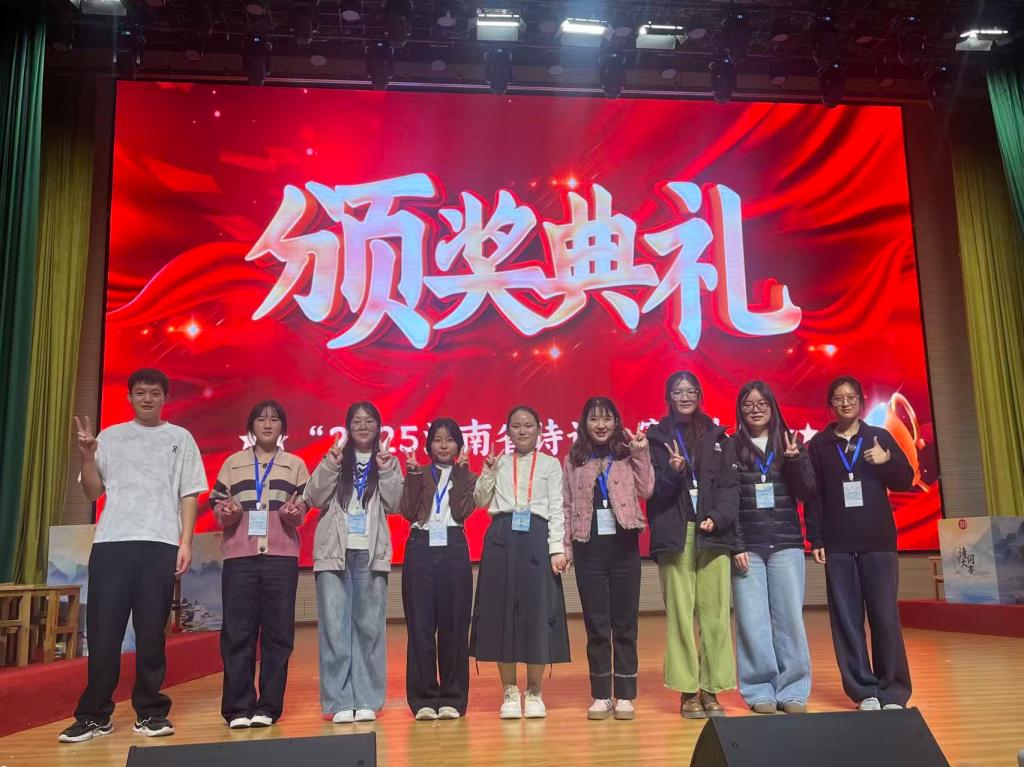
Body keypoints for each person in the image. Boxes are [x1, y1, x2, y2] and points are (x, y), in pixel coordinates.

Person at [59, 368, 207, 743]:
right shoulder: (110, 437)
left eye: (154, 393)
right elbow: (93, 492)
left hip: (160, 543)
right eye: (140, 392)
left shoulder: (180, 438)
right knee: (104, 632)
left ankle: (151, 711)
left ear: (165, 398)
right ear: (129, 397)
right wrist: (86, 456)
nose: (147, 398)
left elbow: (189, 493)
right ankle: (94, 715)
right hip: (112, 543)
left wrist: (186, 542)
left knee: (152, 632)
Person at [805, 376, 914, 712]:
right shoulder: (819, 444)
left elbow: (906, 479)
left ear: (861, 400)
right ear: (830, 405)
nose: (845, 402)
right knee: (847, 621)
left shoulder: (879, 437)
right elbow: (814, 497)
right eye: (838, 398)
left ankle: (893, 691)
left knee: (885, 617)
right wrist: (816, 537)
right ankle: (863, 690)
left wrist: (887, 460)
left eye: (851, 397)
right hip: (837, 544)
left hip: (878, 540)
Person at [209, 400, 309, 729]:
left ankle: (268, 706)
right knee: (238, 634)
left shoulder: (295, 465)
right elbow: (217, 503)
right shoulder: (233, 463)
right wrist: (228, 513)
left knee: (278, 635)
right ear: (251, 426)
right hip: (240, 558)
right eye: (261, 419)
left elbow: (302, 508)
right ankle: (238, 707)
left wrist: (294, 514)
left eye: (275, 419)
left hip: (281, 558)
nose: (267, 424)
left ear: (283, 428)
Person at [646, 371, 739, 719]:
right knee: (681, 616)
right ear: (668, 397)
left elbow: (730, 486)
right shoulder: (656, 438)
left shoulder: (719, 437)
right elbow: (652, 491)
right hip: (676, 533)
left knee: (716, 616)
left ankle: (711, 688)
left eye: (690, 391)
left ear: (699, 396)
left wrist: (718, 517)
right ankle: (687, 690)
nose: (684, 397)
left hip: (713, 533)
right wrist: (674, 472)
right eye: (677, 391)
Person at [304, 401, 403, 723]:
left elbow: (396, 504)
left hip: (371, 555)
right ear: (347, 427)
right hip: (334, 554)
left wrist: (386, 470)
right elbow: (313, 497)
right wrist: (330, 464)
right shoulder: (335, 459)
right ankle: (338, 701)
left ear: (379, 427)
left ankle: (367, 700)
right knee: (334, 630)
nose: (363, 426)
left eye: (369, 420)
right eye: (357, 421)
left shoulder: (387, 461)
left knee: (370, 629)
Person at [470, 405, 570, 719]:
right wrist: (488, 471)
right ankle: (510, 691)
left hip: (536, 537)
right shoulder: (498, 462)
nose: (522, 430)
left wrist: (557, 548)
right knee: (503, 613)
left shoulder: (550, 464)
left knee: (537, 612)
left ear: (539, 429)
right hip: (501, 536)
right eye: (516, 426)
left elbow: (556, 508)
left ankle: (535, 691)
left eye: (528, 425)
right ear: (508, 431)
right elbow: (479, 501)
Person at [562, 396, 654, 720]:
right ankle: (601, 695)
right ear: (584, 423)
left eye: (607, 418)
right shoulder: (574, 458)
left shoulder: (628, 453)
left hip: (625, 546)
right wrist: (566, 548)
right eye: (594, 419)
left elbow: (647, 489)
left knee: (625, 624)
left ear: (616, 422)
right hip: (588, 548)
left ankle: (625, 694)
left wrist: (641, 453)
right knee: (597, 624)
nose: (601, 425)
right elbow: (566, 504)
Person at [727, 381, 816, 714]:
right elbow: (728, 500)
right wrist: (735, 543)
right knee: (752, 622)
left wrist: (794, 462)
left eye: (762, 403)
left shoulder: (790, 443)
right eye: (748, 404)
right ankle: (759, 689)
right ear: (740, 409)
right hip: (747, 546)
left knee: (789, 619)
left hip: (786, 543)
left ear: (772, 407)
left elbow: (808, 491)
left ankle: (793, 689)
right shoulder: (732, 446)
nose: (755, 409)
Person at [399, 417, 478, 721]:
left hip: (454, 546)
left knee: (455, 625)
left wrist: (462, 474)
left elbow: (461, 511)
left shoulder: (466, 476)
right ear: (428, 445)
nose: (444, 445)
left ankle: (452, 698)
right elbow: (408, 512)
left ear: (459, 445)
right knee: (420, 626)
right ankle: (423, 698)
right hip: (420, 546)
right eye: (437, 439)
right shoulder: (419, 473)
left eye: (450, 439)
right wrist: (412, 475)